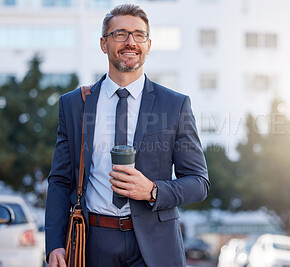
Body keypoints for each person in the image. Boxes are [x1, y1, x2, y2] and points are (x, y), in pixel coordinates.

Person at [45, 4, 210, 267]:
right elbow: (60, 180)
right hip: (94, 242)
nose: (130, 42)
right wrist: (54, 243)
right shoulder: (75, 104)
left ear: (148, 44)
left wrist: (153, 191)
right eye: (120, 34)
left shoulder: (175, 105)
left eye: (139, 35)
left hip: (156, 247)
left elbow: (199, 182)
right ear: (103, 43)